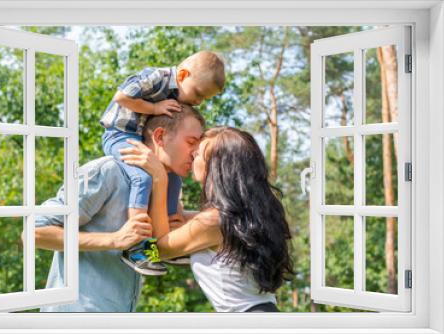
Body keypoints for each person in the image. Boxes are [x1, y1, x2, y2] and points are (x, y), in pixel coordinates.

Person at [33, 106, 204, 312]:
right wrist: (115, 239)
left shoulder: (165, 188)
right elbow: (36, 232)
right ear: (160, 137)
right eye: (191, 142)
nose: (195, 154)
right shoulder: (107, 172)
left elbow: (155, 253)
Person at [120, 126, 295, 312]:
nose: (191, 157)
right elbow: (191, 220)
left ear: (217, 165)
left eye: (197, 155)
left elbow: (158, 251)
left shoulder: (213, 222)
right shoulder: (247, 214)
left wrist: (160, 179)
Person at [100, 51, 225, 275]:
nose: (198, 101)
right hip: (119, 134)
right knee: (142, 177)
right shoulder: (156, 77)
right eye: (197, 94)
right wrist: (155, 109)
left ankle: (167, 242)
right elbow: (121, 97)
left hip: (138, 136)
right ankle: (137, 247)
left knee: (173, 179)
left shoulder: (177, 93)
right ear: (184, 74)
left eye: (204, 99)